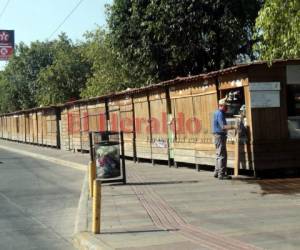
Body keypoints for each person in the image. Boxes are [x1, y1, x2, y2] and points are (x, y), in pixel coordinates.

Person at [213, 98, 236, 180]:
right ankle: (221, 174)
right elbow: (223, 127)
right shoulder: (220, 114)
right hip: (220, 135)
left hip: (217, 135)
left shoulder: (217, 112)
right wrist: (234, 126)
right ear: (221, 106)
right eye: (226, 106)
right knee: (222, 155)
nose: (227, 108)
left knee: (218, 154)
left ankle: (216, 172)